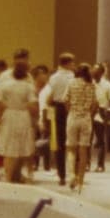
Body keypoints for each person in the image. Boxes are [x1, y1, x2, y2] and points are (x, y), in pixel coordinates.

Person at [0, 49, 38, 183]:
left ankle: (14, 175)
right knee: (16, 147)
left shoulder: (26, 78)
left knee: (15, 148)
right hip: (20, 114)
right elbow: (33, 103)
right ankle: (11, 176)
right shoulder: (9, 77)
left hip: (10, 113)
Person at [64, 63, 96, 191]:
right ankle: (81, 181)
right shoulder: (92, 85)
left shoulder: (71, 83)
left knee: (71, 149)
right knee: (83, 151)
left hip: (73, 117)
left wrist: (70, 111)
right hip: (86, 119)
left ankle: (72, 175)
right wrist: (89, 114)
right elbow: (95, 103)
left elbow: (65, 100)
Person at [46, 52, 76, 186]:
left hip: (58, 109)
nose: (74, 65)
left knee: (60, 143)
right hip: (71, 108)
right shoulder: (73, 77)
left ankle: (61, 175)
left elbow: (51, 96)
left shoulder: (53, 78)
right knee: (72, 141)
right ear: (68, 63)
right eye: (72, 63)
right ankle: (73, 173)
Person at [91, 63, 110, 171]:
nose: (93, 72)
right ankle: (86, 163)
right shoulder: (89, 83)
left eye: (96, 71)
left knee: (101, 140)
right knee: (87, 140)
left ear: (101, 73)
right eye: (93, 70)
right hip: (89, 112)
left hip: (101, 112)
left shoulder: (107, 85)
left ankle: (100, 165)